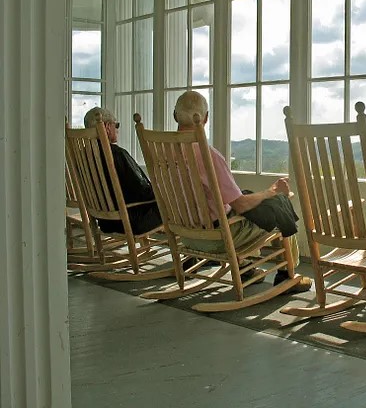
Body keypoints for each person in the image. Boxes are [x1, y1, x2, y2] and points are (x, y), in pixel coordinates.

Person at [173, 91, 312, 292]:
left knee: (247, 196)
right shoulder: (207, 155)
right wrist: (271, 192)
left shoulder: (160, 152)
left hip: (185, 235)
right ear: (205, 118)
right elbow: (240, 204)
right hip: (218, 237)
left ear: (175, 116)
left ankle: (246, 268)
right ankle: (287, 276)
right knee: (280, 205)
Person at [83, 107, 162, 235]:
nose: (118, 130)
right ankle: (188, 248)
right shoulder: (117, 154)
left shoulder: (83, 156)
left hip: (104, 222)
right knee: (175, 205)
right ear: (107, 127)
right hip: (131, 222)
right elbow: (143, 191)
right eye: (116, 125)